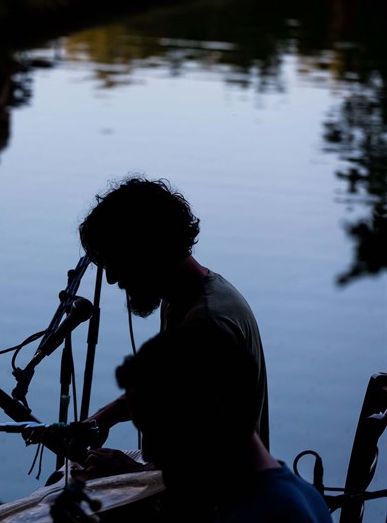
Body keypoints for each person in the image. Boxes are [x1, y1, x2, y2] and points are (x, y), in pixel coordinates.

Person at [77, 176, 269, 475]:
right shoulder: (182, 298)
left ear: (149, 251)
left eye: (117, 262)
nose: (113, 279)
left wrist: (128, 472)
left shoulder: (208, 324)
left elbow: (215, 462)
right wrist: (104, 418)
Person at [114, 326, 332, 522]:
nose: (149, 453)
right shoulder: (302, 496)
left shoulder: (268, 514)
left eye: (159, 433)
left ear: (213, 414)